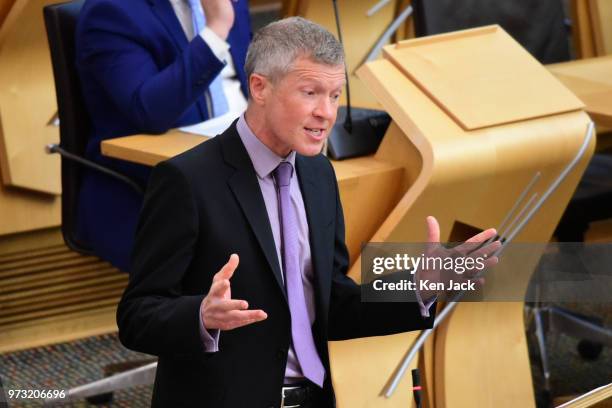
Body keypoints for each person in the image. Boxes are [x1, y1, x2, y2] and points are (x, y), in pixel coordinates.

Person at [117, 17, 498, 407]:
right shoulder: (186, 181)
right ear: (259, 87)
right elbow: (136, 316)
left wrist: (417, 286)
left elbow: (333, 303)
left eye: (335, 95)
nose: (326, 113)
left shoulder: (317, 173)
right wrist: (200, 314)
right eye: (310, 92)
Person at [74, 0, 251, 271]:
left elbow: (255, 78)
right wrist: (216, 28)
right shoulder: (112, 11)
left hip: (238, 166)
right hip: (154, 193)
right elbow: (150, 111)